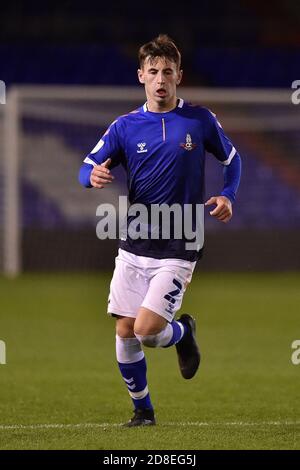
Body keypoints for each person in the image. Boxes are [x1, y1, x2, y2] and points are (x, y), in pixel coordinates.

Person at [79, 34, 241, 427]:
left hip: (179, 242)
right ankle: (143, 412)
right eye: (153, 71)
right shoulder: (124, 126)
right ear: (141, 76)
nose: (160, 78)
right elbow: (86, 165)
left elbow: (232, 159)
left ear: (179, 76)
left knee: (148, 330)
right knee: (124, 330)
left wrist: (228, 195)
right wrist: (93, 175)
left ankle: (182, 333)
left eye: (168, 71)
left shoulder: (200, 120)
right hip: (134, 244)